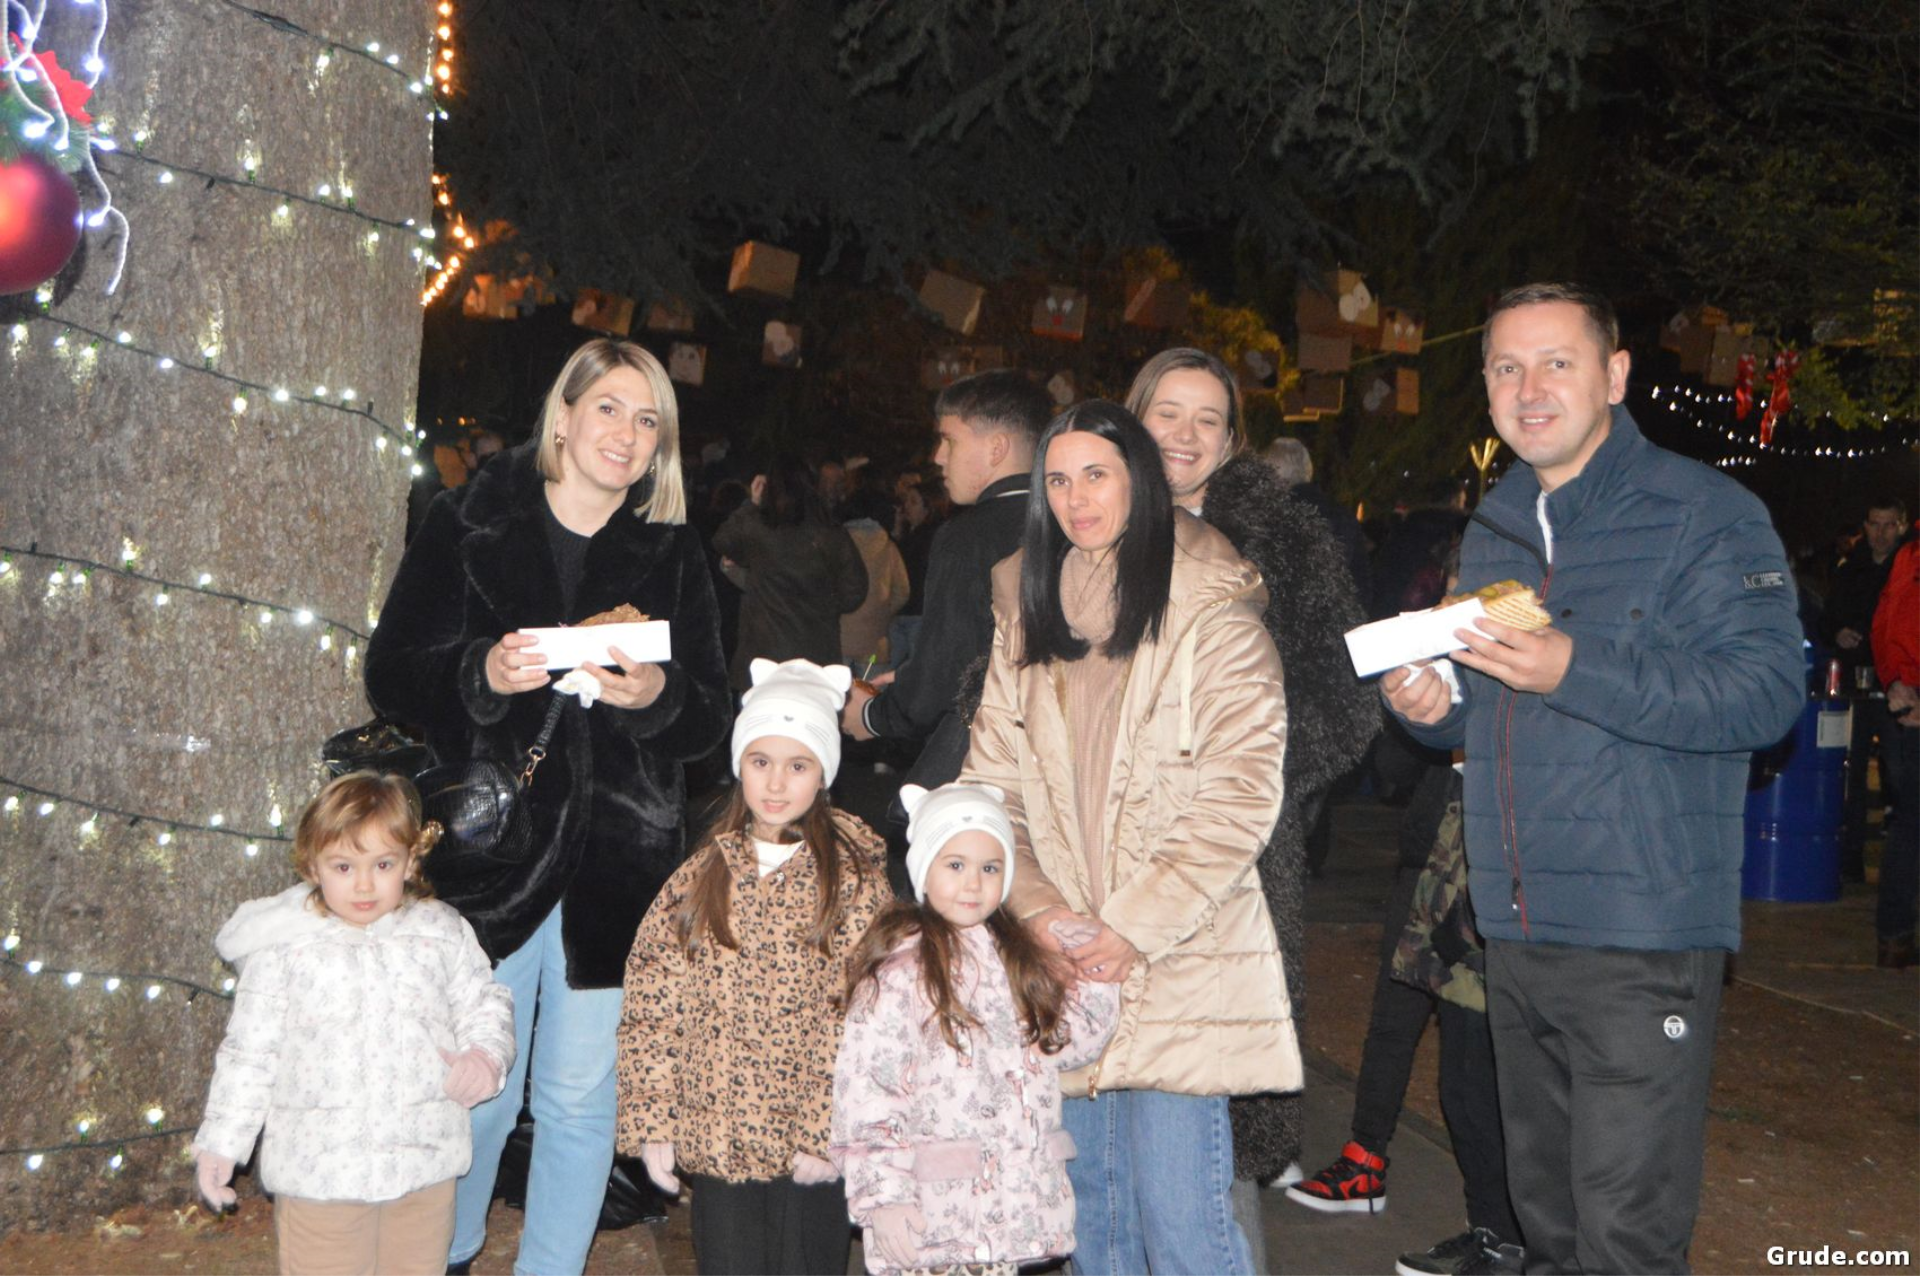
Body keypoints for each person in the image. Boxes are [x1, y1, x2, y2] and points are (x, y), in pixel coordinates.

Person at [1383, 283, 1802, 1274]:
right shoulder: (1500, 524)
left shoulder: (1705, 512)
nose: (1529, 389)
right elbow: (1498, 704)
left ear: (1614, 375)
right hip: (1518, 928)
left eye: (1556, 362)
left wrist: (1573, 665)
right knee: (1552, 1228)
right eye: (1506, 367)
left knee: (1623, 1236)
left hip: (1641, 934)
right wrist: (1433, 705)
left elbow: (1765, 695)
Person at [364, 338, 732, 1276]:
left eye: (648, 420)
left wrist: (656, 697)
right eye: (609, 408)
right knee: (477, 1085)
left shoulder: (672, 551)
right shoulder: (469, 522)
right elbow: (391, 672)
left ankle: (551, 1267)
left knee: (577, 1097)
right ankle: (449, 1252)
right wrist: (480, 673)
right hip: (491, 852)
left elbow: (711, 723)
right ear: (563, 417)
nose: (627, 434)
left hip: (617, 860)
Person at [960, 401, 1298, 1276]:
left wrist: (1132, 927)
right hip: (1066, 957)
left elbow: (1240, 794)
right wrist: (1043, 915)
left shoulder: (1210, 604)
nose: (1076, 498)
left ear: (1140, 483)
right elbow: (991, 785)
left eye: (1096, 475)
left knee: (1184, 1226)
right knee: (1090, 1223)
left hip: (1177, 950)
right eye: (1058, 480)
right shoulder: (1027, 606)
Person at [1123, 348, 1378, 1229]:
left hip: (1227, 870)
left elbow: (1344, 702)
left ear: (1232, 440)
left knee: (1208, 1138)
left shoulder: (1281, 542)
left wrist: (1237, 791)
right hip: (1089, 857)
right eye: (1166, 413)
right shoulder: (1082, 521)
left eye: (1208, 419)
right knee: (1099, 1127)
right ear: (1132, 417)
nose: (1184, 434)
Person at [617, 658, 890, 1276]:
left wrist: (826, 1131)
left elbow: (865, 1014)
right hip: (720, 1141)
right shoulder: (700, 875)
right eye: (760, 761)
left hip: (808, 1150)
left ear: (824, 774)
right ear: (739, 764)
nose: (776, 783)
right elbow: (653, 1005)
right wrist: (655, 1119)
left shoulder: (854, 883)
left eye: (798, 765)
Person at [193, 772, 516, 1276]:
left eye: (382, 864)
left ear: (410, 862)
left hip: (423, 1166)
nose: (364, 885)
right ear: (313, 865)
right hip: (321, 1175)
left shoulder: (441, 933)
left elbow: (485, 1003)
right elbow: (250, 1054)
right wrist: (222, 1143)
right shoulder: (284, 949)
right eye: (344, 866)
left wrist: (485, 1057)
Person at [832, 781, 1121, 1276]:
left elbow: (1067, 1043)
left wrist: (1092, 970)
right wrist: (883, 1197)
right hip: (932, 1218)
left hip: (1008, 1215)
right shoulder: (901, 974)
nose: (973, 884)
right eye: (955, 865)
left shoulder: (1018, 964)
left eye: (989, 868)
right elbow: (869, 1094)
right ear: (924, 869)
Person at [843, 372, 1053, 801]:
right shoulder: (1070, 525)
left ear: (996, 448)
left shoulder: (967, 536)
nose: (938, 457)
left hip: (983, 768)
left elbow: (946, 671)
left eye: (949, 440)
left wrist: (872, 715)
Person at [715, 456, 869, 689]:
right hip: (816, 654)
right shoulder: (830, 532)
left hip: (764, 656)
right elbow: (855, 589)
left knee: (762, 711)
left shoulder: (759, 528)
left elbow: (722, 540)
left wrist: (752, 503)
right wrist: (825, 604)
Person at [1830, 501, 1910, 881]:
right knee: (1853, 771)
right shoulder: (1851, 569)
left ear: (1901, 526)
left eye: (1888, 525)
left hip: (1895, 687)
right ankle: (1852, 855)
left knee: (1898, 772)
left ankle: (1901, 858)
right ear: (1865, 526)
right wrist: (1837, 632)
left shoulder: (1907, 569)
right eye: (1875, 524)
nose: (1881, 533)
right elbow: (1829, 616)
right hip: (1856, 684)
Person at [1871, 530, 1920, 968]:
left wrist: (1895, 683)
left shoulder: (1909, 554)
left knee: (1909, 824)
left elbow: (1884, 625)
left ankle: (1894, 937)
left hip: (1906, 698)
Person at [840, 489, 912, 674]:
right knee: (870, 687)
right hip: (874, 645)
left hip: (840, 641)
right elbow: (902, 591)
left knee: (837, 688)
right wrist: (882, 610)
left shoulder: (839, 543)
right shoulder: (888, 547)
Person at [889, 478, 946, 669]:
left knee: (915, 667)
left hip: (919, 614)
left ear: (928, 507)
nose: (906, 506)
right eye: (906, 500)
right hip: (902, 612)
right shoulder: (909, 534)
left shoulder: (931, 536)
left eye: (913, 502)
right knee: (888, 663)